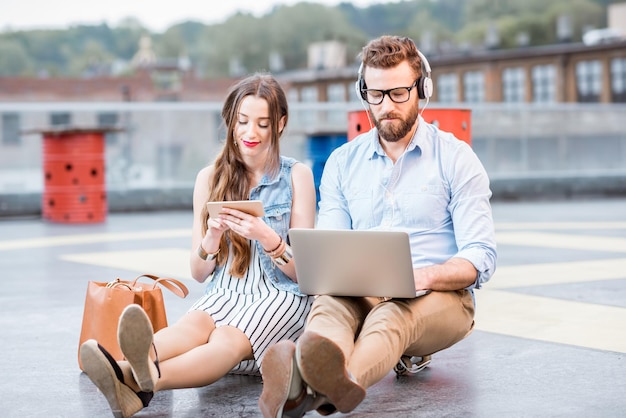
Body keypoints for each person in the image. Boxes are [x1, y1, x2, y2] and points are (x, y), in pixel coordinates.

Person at [258, 35, 497, 417]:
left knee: (392, 314)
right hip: (363, 290)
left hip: (442, 299)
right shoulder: (341, 162)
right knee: (329, 303)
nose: (386, 106)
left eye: (399, 93)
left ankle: (321, 383)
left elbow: (479, 257)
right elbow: (333, 246)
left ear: (423, 90)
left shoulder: (456, 158)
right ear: (364, 93)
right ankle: (311, 387)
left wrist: (424, 276)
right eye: (376, 94)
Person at [79, 73, 317, 418]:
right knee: (192, 327)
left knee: (226, 339)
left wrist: (268, 238)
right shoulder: (209, 178)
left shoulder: (298, 176)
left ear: (280, 124)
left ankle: (139, 379)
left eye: (263, 124)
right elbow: (199, 272)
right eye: (243, 122)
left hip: (282, 296)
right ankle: (125, 370)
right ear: (230, 122)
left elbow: (306, 274)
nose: (250, 133)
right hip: (227, 291)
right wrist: (211, 237)